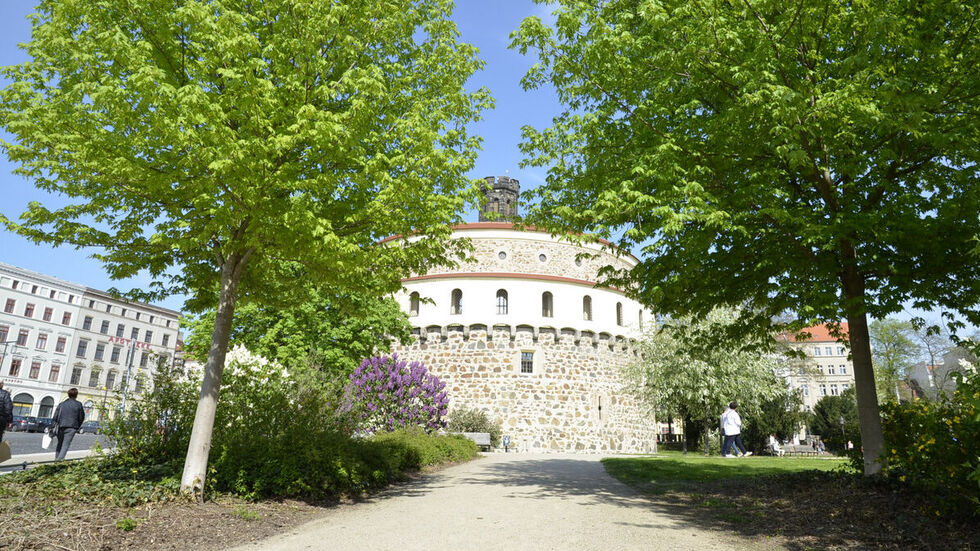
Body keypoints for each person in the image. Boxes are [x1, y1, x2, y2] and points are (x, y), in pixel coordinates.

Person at [52, 388, 85, 461]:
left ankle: (56, 460)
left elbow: (55, 416)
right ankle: (59, 462)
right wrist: (77, 426)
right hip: (72, 427)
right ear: (76, 395)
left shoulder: (62, 404)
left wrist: (53, 426)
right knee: (65, 445)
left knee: (59, 444)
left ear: (68, 394)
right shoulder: (78, 404)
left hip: (60, 426)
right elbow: (81, 417)